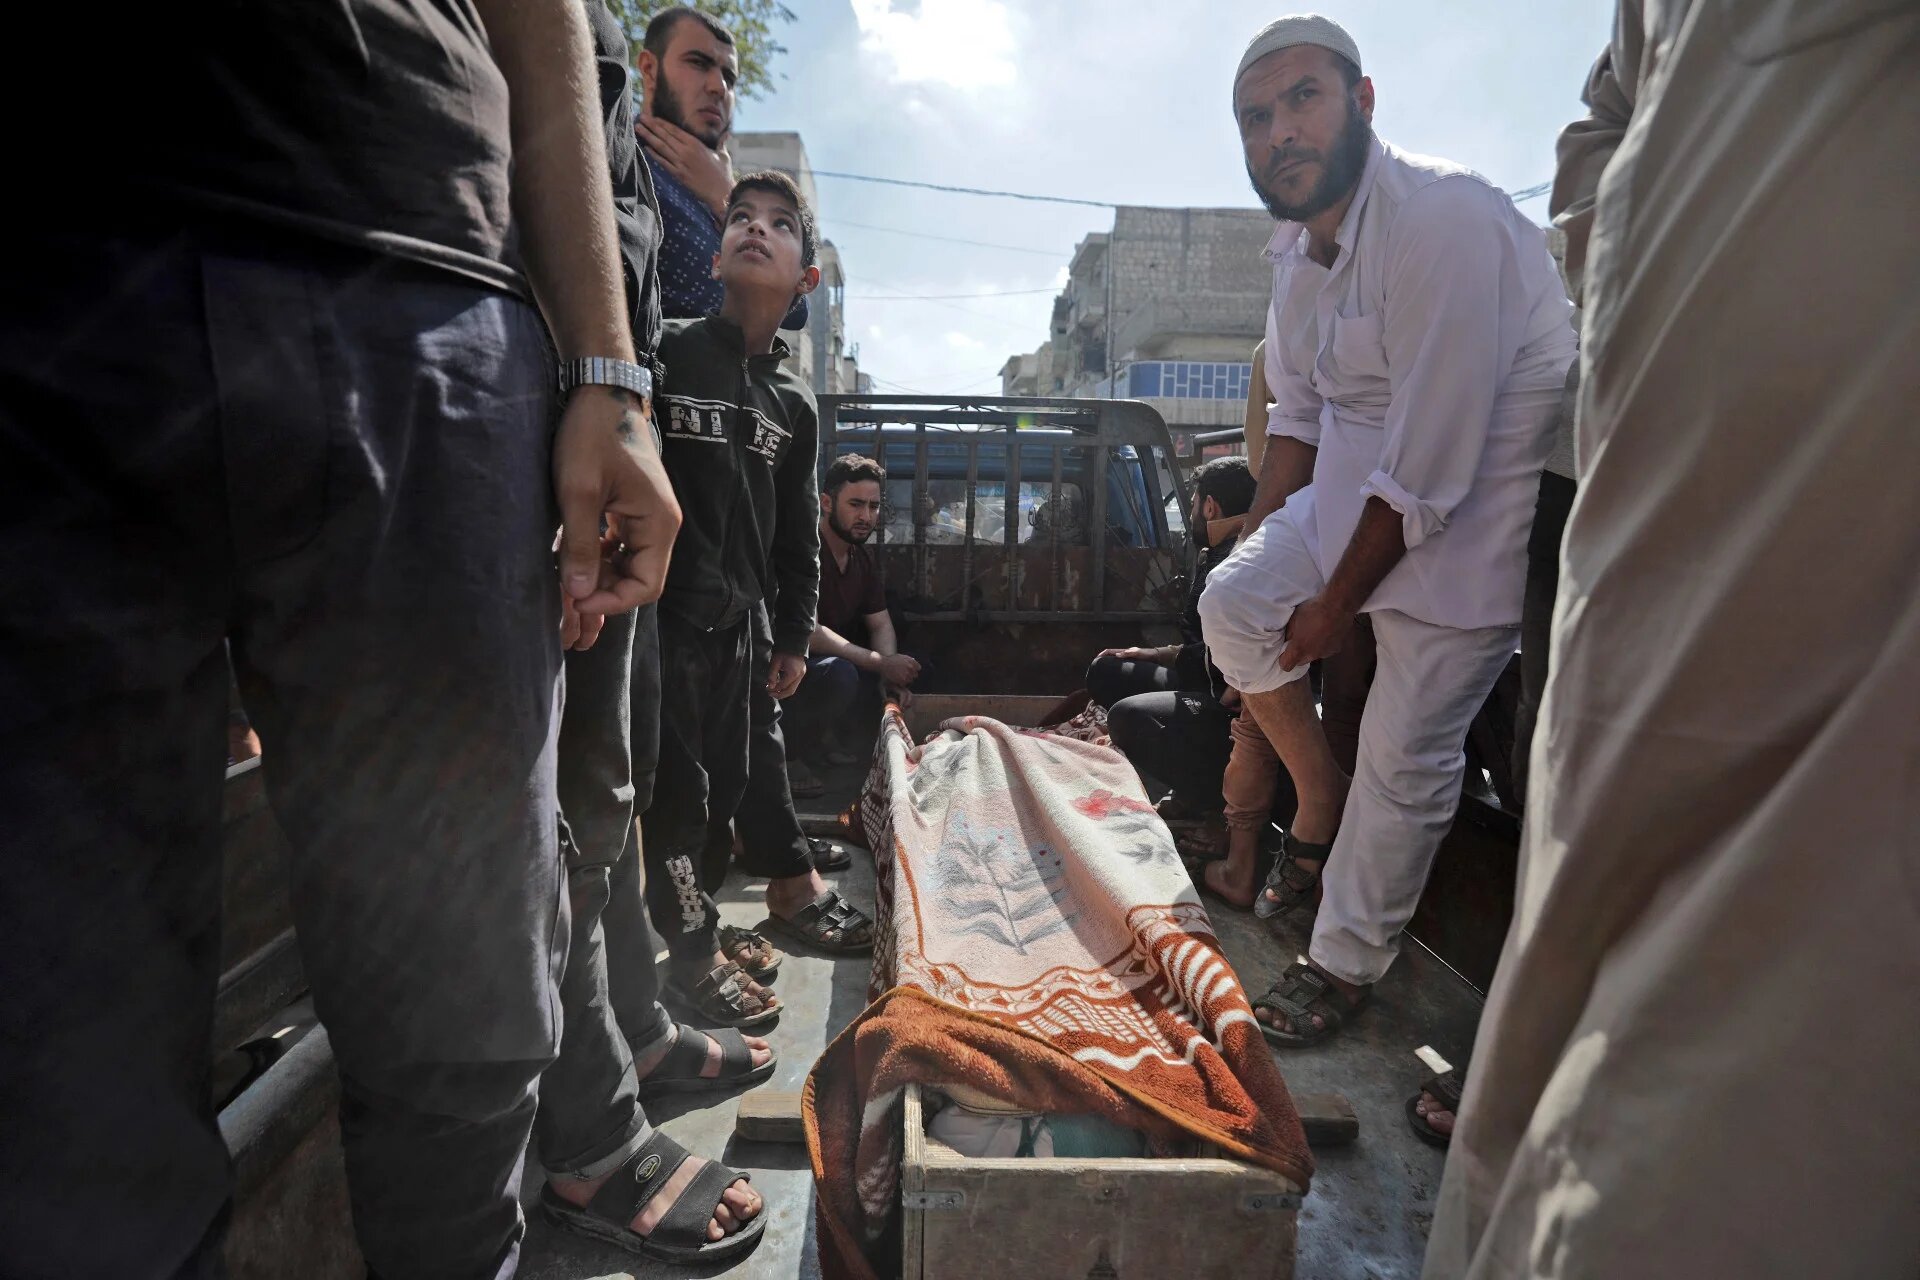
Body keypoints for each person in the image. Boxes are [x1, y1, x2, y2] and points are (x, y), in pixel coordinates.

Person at [0, 0, 686, 1274]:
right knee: (53, 1059)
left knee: (464, 1001)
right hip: (52, 297)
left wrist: (607, 370)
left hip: (423, 289)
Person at [1423, 5, 1920, 1275]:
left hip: (1772, 273)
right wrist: (1625, 248)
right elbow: (1612, 111)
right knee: (1608, 847)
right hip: (1695, 355)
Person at [1199, 16, 1575, 1047]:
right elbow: (1302, 423)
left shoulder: (1442, 219)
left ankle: (1342, 961)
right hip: (1360, 494)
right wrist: (1263, 560)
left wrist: (1329, 609)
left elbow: (1429, 470)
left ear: (1363, 103)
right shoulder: (1294, 256)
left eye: (1302, 99)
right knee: (1231, 608)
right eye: (1256, 116)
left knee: (1410, 752)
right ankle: (1319, 796)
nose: (1279, 130)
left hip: (1473, 508)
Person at [532, 5, 773, 1263]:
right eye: (702, 67)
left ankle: (630, 1030)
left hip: (641, 502)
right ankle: (589, 1132)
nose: (718, 89)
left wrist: (723, 198)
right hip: (568, 480)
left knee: (613, 791)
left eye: (729, 75)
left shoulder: (656, 159)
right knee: (575, 813)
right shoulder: (588, 120)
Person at [641, 171, 873, 1031]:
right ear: (717, 249)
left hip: (741, 635)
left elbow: (794, 539)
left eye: (780, 224)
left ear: (806, 280)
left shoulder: (796, 403)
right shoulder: (667, 350)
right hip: (659, 625)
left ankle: (704, 926)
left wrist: (786, 638)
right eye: (740, 217)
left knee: (729, 788)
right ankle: (692, 960)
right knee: (676, 799)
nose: (755, 229)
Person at [1087, 457, 1257, 842]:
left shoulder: (1241, 557)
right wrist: (1153, 654)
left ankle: (1206, 794)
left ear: (1210, 506)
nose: (1193, 513)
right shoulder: (1216, 550)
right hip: (1202, 675)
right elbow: (1203, 643)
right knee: (1107, 669)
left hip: (1228, 698)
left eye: (1194, 503)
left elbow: (1233, 654)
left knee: (1128, 718)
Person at [782, 453, 923, 793]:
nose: (866, 516)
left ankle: (825, 740)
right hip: (783, 670)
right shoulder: (805, 550)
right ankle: (786, 757)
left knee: (908, 666)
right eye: (856, 504)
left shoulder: (860, 558)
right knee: (842, 672)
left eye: (873, 507)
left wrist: (890, 676)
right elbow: (809, 631)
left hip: (824, 667)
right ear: (827, 503)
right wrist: (881, 663)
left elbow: (880, 624)